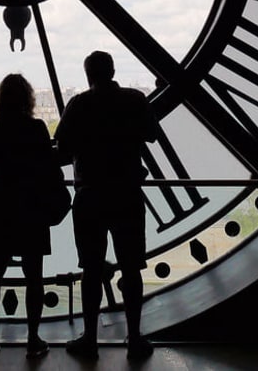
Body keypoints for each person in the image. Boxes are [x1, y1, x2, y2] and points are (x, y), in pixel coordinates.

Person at [54, 51, 157, 360]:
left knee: (91, 268)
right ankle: (135, 337)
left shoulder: (79, 104)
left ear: (88, 75)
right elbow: (151, 134)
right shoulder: (135, 100)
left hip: (90, 194)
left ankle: (91, 339)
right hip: (126, 192)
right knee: (131, 267)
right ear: (113, 71)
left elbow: (63, 147)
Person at [0, 73, 54, 360]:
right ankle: (32, 337)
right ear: (28, 99)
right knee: (34, 277)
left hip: (1, 205)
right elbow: (48, 164)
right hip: (31, 206)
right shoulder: (37, 128)